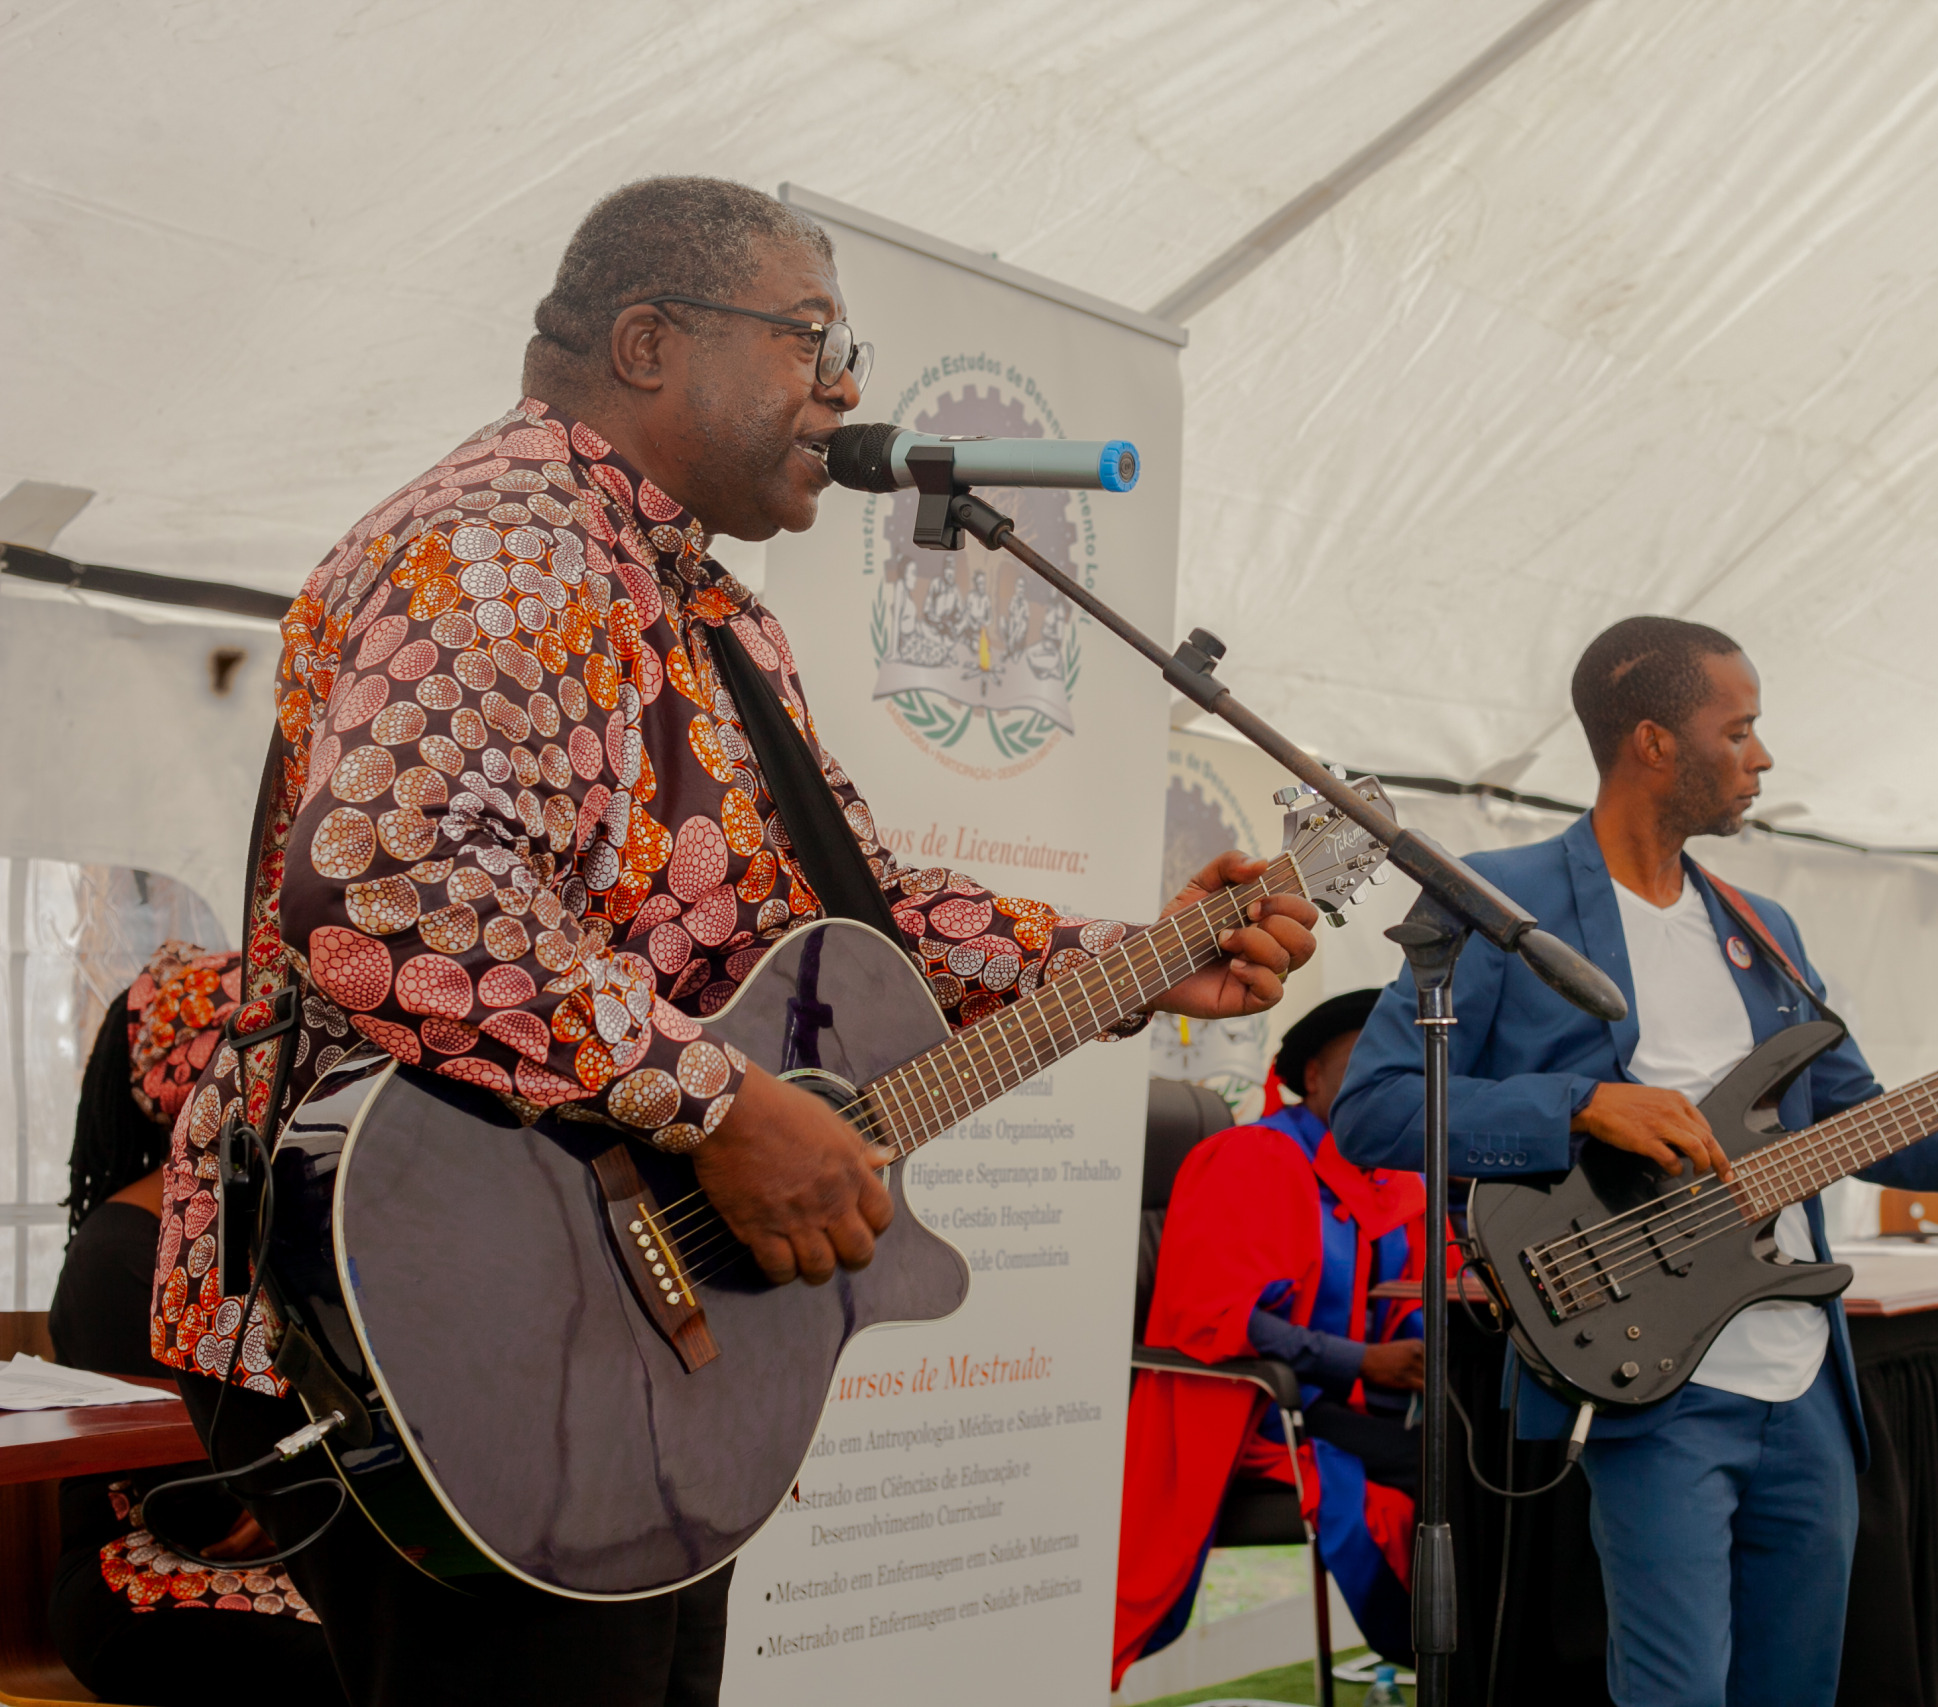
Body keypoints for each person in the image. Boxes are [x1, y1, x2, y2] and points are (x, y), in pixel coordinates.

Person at [153, 177, 1317, 1707]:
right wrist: (715, 1101)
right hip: (428, 1295)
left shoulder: (706, 605)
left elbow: (853, 917)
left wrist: (1133, 956)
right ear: (648, 341)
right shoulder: (507, 546)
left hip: (589, 1300)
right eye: (815, 341)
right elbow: (392, 893)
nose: (847, 391)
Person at [1331, 616, 1938, 1707]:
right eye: (1742, 728)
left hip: (1803, 1378)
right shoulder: (1500, 905)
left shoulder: (1762, 929)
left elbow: (1872, 1127)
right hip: (1646, 1377)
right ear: (1653, 744)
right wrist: (1581, 1106)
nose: (1762, 756)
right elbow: (1376, 1111)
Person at [48, 942, 346, 1707]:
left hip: (285, 1541)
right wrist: (280, 1490)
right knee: (372, 1658)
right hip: (141, 1572)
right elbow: (198, 1497)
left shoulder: (272, 1226)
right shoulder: (117, 1251)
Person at [1113, 991, 1430, 1685]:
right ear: (1311, 1075)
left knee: (1479, 1448)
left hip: (1349, 1406)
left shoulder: (1392, 1180)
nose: (1380, 1086)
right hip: (1260, 1415)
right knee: (1441, 1472)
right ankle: (1441, 1655)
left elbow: (1406, 1295)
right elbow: (1221, 1314)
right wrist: (1364, 1361)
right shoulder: (1255, 1157)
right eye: (1361, 1066)